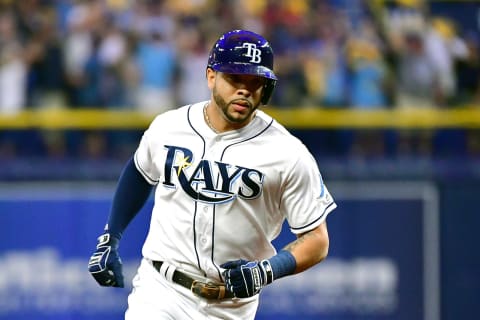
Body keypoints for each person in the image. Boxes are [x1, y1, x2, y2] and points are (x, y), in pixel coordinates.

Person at [88, 29, 337, 320]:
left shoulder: (288, 153)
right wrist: (110, 237)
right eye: (235, 79)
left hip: (231, 306)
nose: (244, 89)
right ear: (210, 77)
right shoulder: (169, 126)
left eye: (255, 82)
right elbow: (140, 171)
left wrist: (266, 270)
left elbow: (317, 240)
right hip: (161, 290)